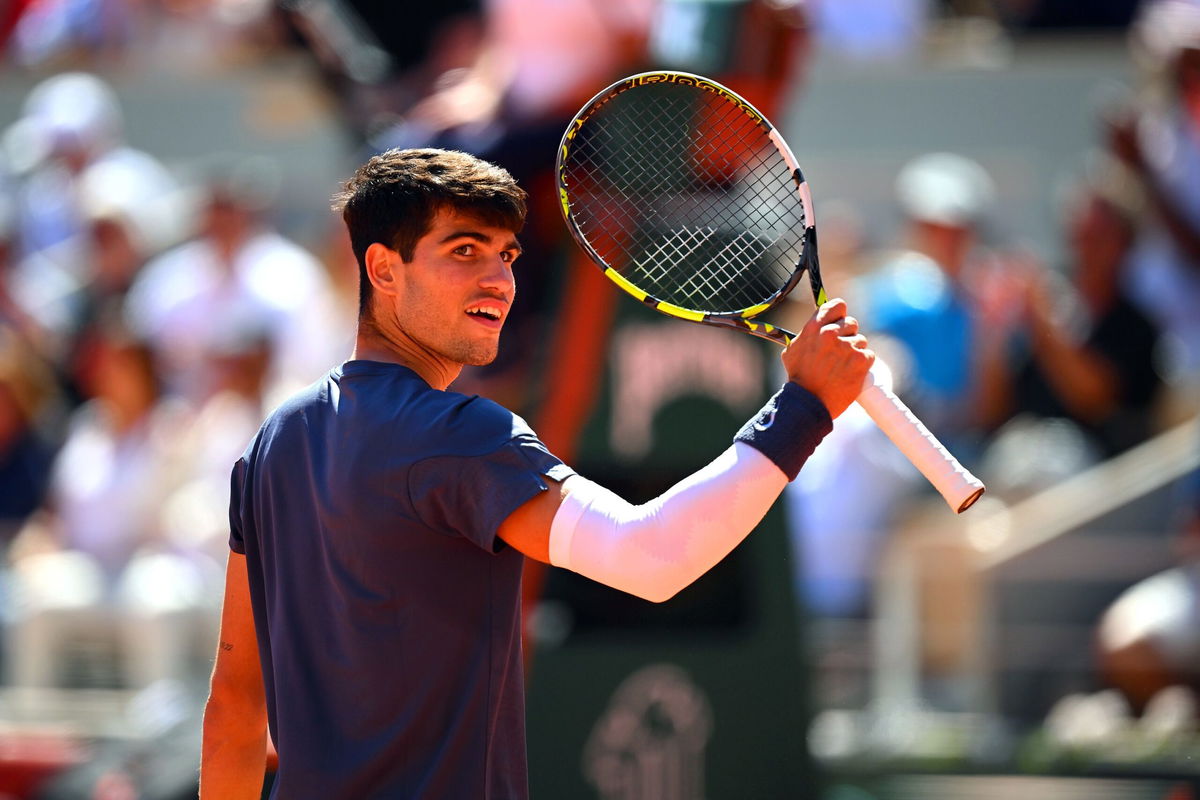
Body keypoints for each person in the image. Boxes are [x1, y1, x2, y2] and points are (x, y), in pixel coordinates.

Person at [199, 148, 873, 799]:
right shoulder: (460, 435)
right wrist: (802, 410)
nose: (499, 279)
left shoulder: (272, 442)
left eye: (507, 255)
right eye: (464, 251)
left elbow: (235, 701)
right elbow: (653, 555)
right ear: (383, 269)